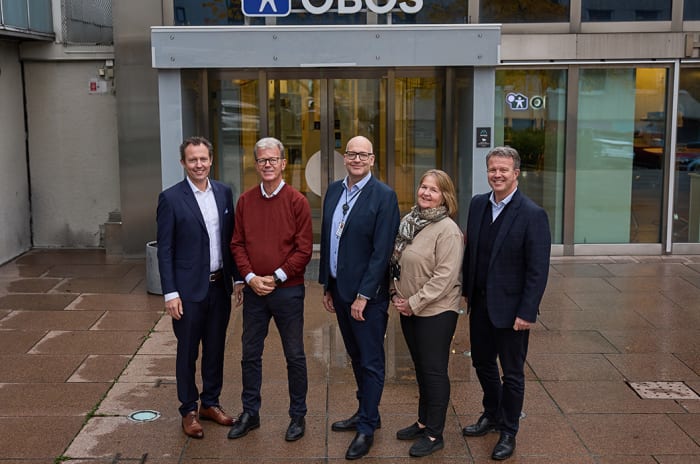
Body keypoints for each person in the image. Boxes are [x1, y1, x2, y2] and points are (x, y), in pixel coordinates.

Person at [461, 146, 551, 461]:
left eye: (503, 170)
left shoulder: (532, 214)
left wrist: (527, 311)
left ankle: (509, 430)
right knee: (482, 363)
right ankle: (492, 412)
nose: (497, 175)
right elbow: (471, 252)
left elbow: (538, 270)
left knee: (512, 373)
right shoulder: (477, 205)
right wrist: (466, 291)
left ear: (516, 173)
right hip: (481, 304)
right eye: (492, 170)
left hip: (512, 311)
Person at [319, 135, 400, 460]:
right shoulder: (335, 191)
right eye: (351, 153)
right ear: (345, 158)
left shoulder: (384, 196)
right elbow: (328, 239)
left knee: (371, 360)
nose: (356, 159)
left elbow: (381, 253)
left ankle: (367, 427)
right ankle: (368, 410)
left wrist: (364, 295)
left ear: (372, 159)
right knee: (355, 355)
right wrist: (327, 284)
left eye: (362, 154)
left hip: (367, 297)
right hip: (339, 290)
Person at [156, 136, 242, 439]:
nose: (199, 164)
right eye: (192, 160)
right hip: (188, 293)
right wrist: (170, 293)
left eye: (203, 159)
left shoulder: (223, 193)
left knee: (215, 350)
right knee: (187, 352)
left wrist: (239, 278)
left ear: (211, 160)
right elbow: (164, 250)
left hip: (219, 288)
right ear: (183, 163)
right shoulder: (170, 198)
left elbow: (231, 241)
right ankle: (188, 410)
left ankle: (210, 403)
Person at [228, 137, 313, 442]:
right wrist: (250, 277)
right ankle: (250, 413)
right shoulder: (246, 201)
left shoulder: (297, 202)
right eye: (262, 160)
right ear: (256, 164)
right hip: (254, 292)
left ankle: (298, 417)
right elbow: (236, 243)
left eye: (272, 160)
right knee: (250, 354)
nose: (267, 165)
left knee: (295, 356)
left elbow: (304, 250)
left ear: (283, 163)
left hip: (287, 291)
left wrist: (274, 277)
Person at [389, 169, 464, 458]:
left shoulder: (448, 231)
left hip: (435, 311)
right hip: (408, 307)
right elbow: (398, 261)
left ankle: (435, 433)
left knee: (434, 372)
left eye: (434, 189)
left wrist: (414, 302)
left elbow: (444, 278)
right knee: (421, 369)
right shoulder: (410, 222)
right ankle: (423, 422)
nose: (426, 193)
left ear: (445, 196)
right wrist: (395, 293)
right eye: (423, 187)